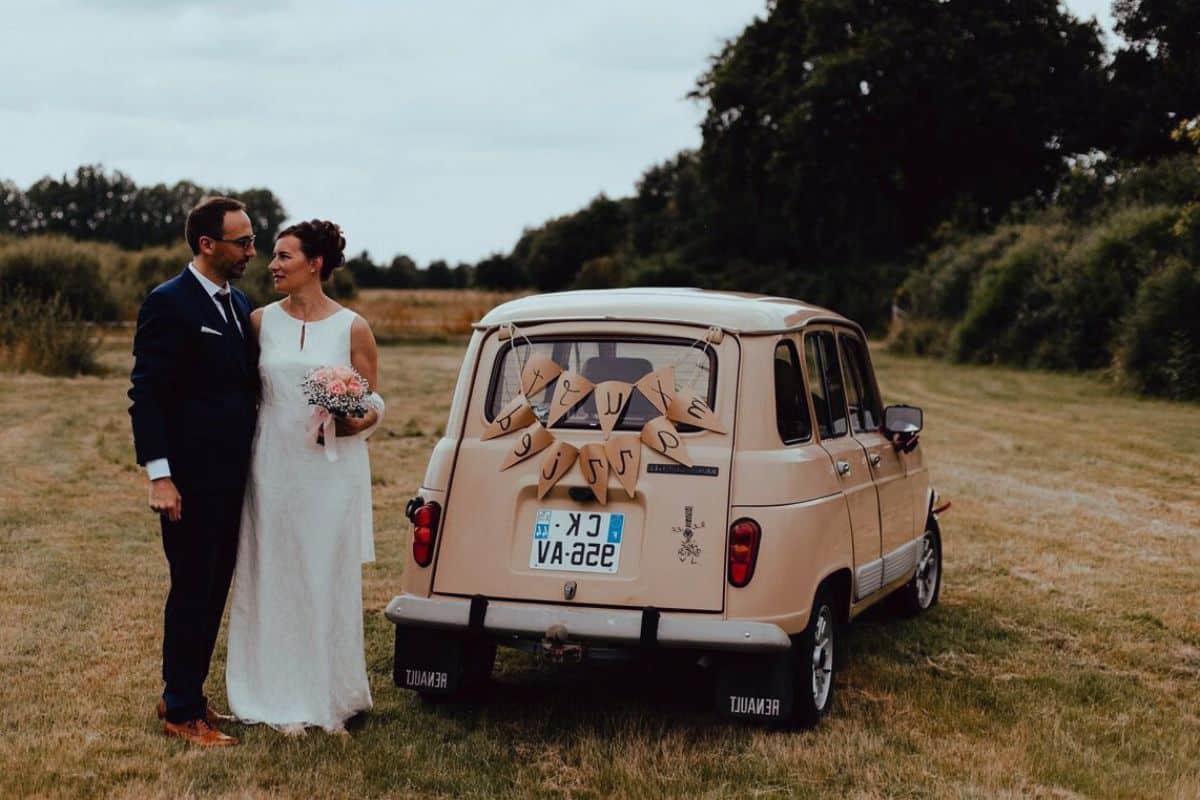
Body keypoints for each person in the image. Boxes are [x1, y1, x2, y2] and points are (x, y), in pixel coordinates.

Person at [224, 219, 383, 735]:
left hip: (329, 472)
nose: (272, 264)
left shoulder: (352, 327)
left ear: (315, 264)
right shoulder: (258, 322)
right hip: (271, 463)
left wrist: (351, 419)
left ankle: (328, 691)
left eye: (284, 256)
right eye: (272, 255)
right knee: (271, 569)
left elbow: (373, 400)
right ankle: (267, 688)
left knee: (323, 573)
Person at [128, 196, 259, 747]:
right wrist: (161, 475)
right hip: (188, 479)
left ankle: (187, 692)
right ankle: (181, 711)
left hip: (233, 478)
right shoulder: (170, 303)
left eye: (252, 240)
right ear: (208, 245)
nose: (252, 250)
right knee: (192, 589)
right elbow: (147, 395)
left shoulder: (239, 302)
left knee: (213, 589)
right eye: (243, 242)